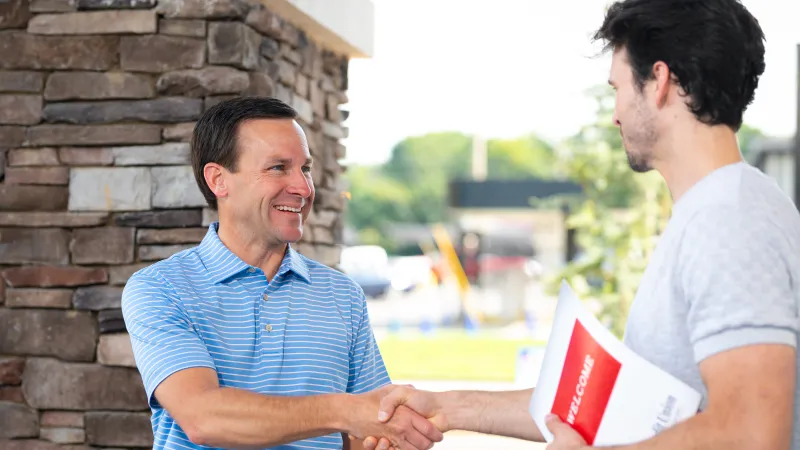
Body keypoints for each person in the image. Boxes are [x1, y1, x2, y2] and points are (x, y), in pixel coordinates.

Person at [361, 0, 800, 449]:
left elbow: (752, 434)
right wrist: (446, 407)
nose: (615, 114)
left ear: (660, 82)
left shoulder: (728, 220)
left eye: (618, 88)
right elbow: (607, 413)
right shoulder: (720, 211)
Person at [120, 97, 443, 450]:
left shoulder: (342, 294)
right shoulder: (160, 289)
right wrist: (342, 411)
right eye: (278, 168)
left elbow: (368, 425)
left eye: (305, 168)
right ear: (218, 180)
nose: (304, 188)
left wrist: (384, 437)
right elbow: (203, 417)